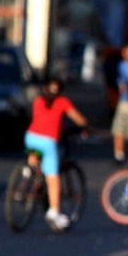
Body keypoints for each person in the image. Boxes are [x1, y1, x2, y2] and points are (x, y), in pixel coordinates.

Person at [24, 77, 89, 231]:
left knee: (34, 156)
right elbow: (78, 119)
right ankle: (54, 212)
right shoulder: (62, 102)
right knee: (53, 178)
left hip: (31, 137)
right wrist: (86, 127)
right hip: (48, 142)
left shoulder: (38, 101)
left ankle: (28, 171)